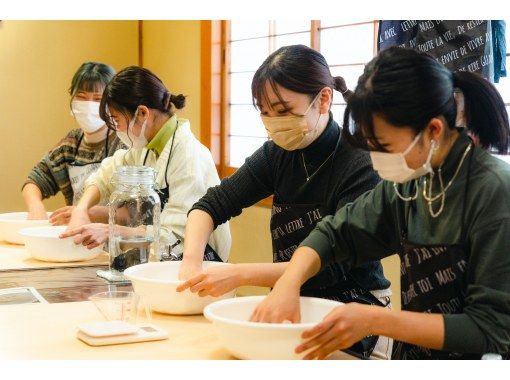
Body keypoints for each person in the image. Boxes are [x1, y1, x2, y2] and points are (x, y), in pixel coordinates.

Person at [251, 47, 510, 360]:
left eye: (384, 147)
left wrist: (376, 319)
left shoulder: (494, 191)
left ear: (433, 130)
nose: (377, 161)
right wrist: (290, 280)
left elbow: (492, 330)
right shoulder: (413, 181)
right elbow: (336, 234)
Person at [177, 45, 392, 359]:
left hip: (355, 313)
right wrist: (191, 260)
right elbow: (211, 205)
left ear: (323, 99)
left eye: (283, 111)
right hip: (291, 309)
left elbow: (330, 264)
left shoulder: (359, 162)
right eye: (264, 112)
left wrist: (238, 274)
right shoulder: (277, 155)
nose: (273, 122)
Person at [61, 66, 231, 262]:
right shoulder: (147, 147)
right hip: (164, 262)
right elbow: (107, 172)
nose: (116, 129)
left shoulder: (189, 156)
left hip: (200, 263)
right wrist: (81, 209)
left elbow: (175, 236)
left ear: (142, 113)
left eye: (116, 120)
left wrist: (112, 231)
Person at [22, 62, 125, 222]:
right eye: (82, 97)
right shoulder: (70, 144)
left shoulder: (124, 143)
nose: (89, 105)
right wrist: (36, 206)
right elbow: (36, 179)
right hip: (76, 238)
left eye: (98, 99)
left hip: (113, 241)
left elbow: (133, 212)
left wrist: (85, 213)